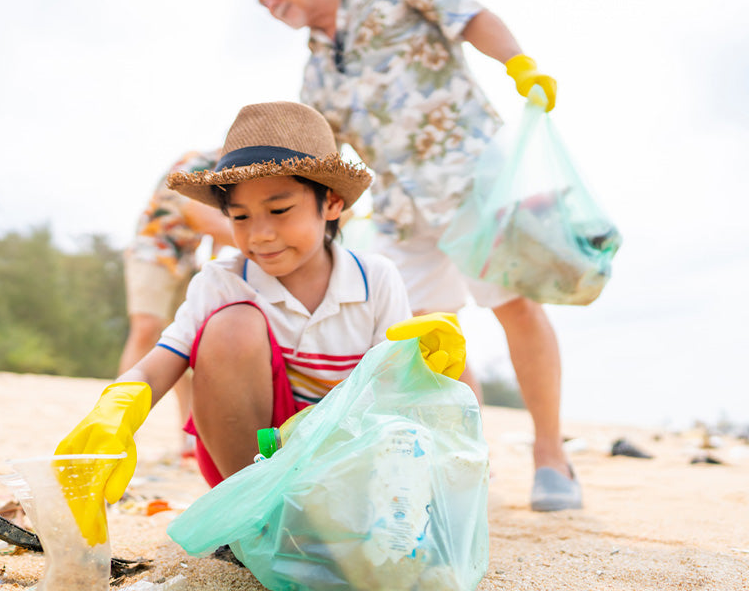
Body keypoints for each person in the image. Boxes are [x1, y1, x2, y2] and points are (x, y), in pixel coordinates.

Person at [55, 101, 467, 540]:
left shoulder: (376, 278)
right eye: (240, 217)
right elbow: (162, 361)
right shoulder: (223, 279)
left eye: (279, 209)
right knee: (231, 326)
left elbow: (390, 396)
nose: (260, 234)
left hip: (344, 454)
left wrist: (419, 368)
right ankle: (254, 521)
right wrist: (117, 410)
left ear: (331, 202)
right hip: (255, 457)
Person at [253, 0, 579, 511]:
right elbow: (321, 152)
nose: (264, 1)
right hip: (400, 206)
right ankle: (470, 453)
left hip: (471, 177)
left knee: (513, 305)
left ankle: (551, 455)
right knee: (421, 331)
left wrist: (518, 64)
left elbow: (471, 17)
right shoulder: (316, 67)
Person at [120, 149, 233, 458]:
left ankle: (188, 437)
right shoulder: (196, 164)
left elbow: (219, 231)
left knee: (184, 343)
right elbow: (205, 218)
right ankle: (119, 429)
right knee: (147, 328)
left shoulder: (230, 177)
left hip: (185, 261)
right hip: (153, 250)